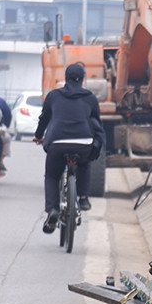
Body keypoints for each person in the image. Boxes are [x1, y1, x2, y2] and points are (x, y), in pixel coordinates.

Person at [34, 62, 104, 234]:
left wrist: (38, 136)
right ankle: (83, 198)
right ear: (83, 79)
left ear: (65, 78)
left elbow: (44, 119)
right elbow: (96, 122)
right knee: (84, 163)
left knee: (51, 176)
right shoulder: (90, 98)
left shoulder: (54, 96)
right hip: (83, 143)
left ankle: (53, 209)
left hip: (57, 143)